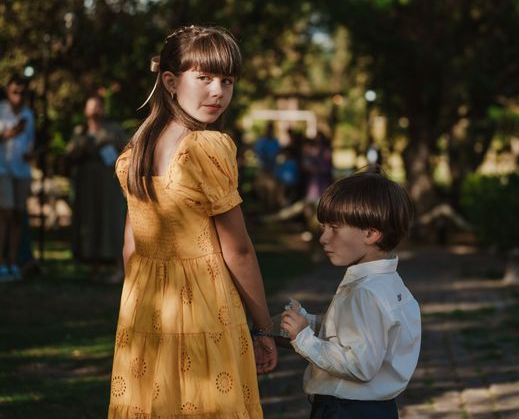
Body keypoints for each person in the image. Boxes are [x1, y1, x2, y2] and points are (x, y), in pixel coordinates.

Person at [109, 25, 277, 418]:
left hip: (145, 305)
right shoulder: (207, 148)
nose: (218, 91)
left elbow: (130, 245)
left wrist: (140, 307)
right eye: (204, 78)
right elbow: (236, 249)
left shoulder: (135, 148)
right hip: (206, 304)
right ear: (170, 81)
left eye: (227, 80)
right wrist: (264, 328)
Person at [281, 172, 421, 419]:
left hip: (347, 409)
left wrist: (303, 338)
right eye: (323, 227)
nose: (323, 237)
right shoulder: (388, 284)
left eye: (334, 228)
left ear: (370, 234)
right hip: (378, 409)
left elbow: (360, 364)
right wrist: (312, 323)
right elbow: (366, 336)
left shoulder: (365, 293)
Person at [66, 96, 128, 278]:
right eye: (91, 107)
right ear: (85, 111)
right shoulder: (80, 132)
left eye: (98, 107)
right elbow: (69, 156)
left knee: (112, 220)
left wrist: (110, 142)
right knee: (90, 221)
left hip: (109, 184)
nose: (94, 111)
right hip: (87, 185)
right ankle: (94, 265)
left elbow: (128, 148)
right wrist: (84, 148)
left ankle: (118, 265)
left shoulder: (113, 129)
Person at [0, 74, 35, 282]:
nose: (18, 96)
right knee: (5, 212)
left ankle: (13, 262)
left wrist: (30, 153)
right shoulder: (1, 111)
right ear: (7, 91)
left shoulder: (29, 115)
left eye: (22, 93)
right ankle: (1, 262)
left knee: (17, 215)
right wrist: (11, 132)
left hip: (22, 170)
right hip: (2, 169)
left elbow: (31, 140)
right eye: (15, 92)